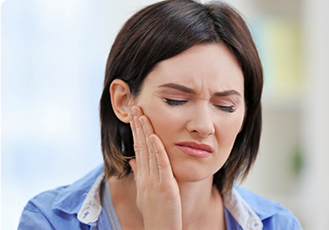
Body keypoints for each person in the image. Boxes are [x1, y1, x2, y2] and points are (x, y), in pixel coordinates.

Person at [18, 0, 302, 229]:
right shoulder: (49, 221)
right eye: (176, 100)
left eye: (226, 106)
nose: (203, 126)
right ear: (123, 101)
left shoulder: (277, 225)